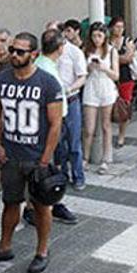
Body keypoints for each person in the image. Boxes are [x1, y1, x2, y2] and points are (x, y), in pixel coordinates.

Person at [0, 32, 63, 273]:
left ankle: (42, 251)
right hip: (11, 156)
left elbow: (55, 124)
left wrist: (45, 159)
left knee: (41, 206)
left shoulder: (48, 83)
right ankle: (5, 246)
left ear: (34, 54)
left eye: (20, 51)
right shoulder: (1, 80)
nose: (14, 55)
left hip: (37, 157)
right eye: (12, 50)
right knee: (10, 203)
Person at [33, 28, 78, 224]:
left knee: (51, 165)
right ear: (60, 48)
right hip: (49, 126)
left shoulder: (42, 65)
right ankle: (45, 204)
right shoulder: (46, 70)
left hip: (50, 124)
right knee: (48, 168)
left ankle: (43, 204)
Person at [82, 22, 120, 172]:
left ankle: (106, 158)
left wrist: (104, 68)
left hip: (106, 86)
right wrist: (89, 68)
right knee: (89, 128)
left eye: (100, 35)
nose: (97, 39)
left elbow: (116, 75)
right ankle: (85, 157)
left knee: (106, 125)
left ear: (105, 36)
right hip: (91, 87)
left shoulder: (111, 51)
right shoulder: (86, 50)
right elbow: (81, 72)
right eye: (94, 36)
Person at [56, 20, 89, 191]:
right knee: (58, 143)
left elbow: (82, 77)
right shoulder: (47, 54)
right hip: (54, 104)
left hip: (71, 100)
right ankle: (62, 175)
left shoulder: (74, 52)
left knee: (74, 141)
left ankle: (78, 176)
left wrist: (68, 89)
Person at [108, 16, 137, 146]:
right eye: (117, 27)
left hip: (125, 78)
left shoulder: (127, 41)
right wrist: (119, 58)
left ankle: (121, 136)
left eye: (122, 27)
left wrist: (113, 58)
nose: (119, 30)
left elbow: (128, 58)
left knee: (124, 106)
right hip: (109, 78)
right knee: (108, 106)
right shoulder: (107, 42)